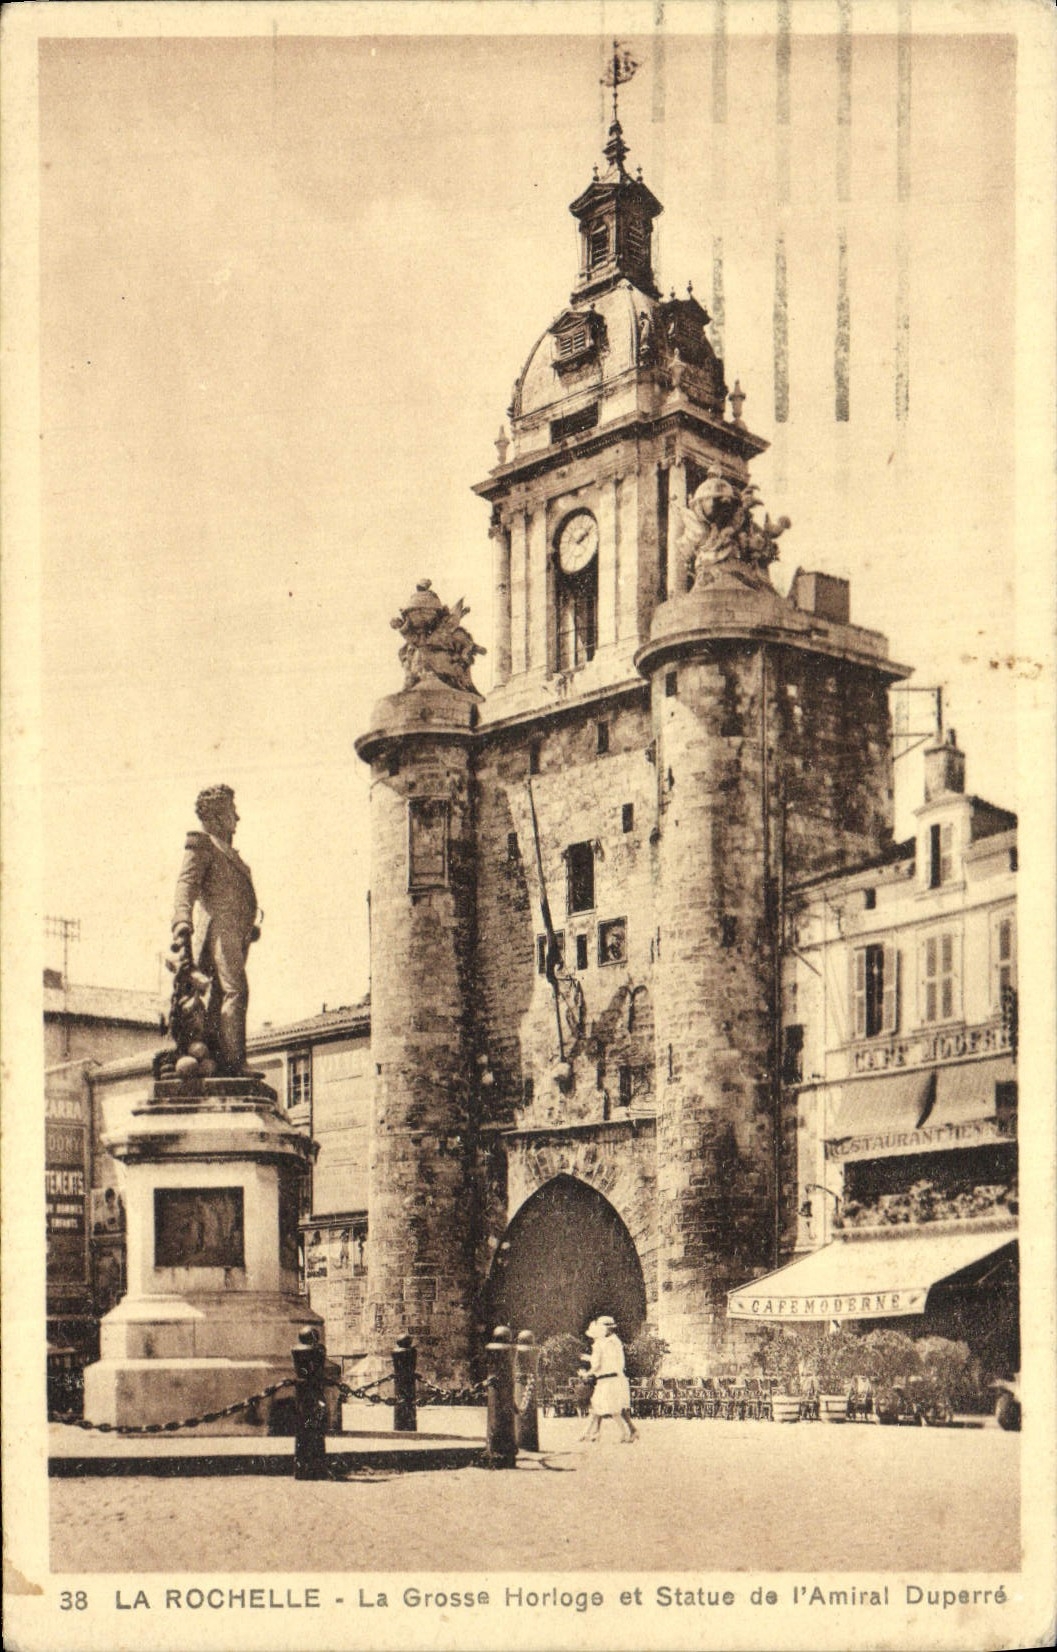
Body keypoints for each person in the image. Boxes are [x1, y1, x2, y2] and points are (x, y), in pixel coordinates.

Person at [171, 784, 260, 1076]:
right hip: (216, 932)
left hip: (235, 933)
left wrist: (249, 925)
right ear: (219, 816)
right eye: (233, 812)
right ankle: (235, 1064)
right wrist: (181, 920)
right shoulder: (202, 844)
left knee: (222, 995)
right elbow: (186, 884)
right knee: (236, 990)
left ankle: (221, 1059)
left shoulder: (229, 853)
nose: (238, 818)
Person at [579, 1316, 639, 1444]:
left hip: (608, 1380)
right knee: (599, 1406)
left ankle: (625, 1433)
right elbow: (607, 1361)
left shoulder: (606, 1343)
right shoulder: (612, 1342)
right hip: (612, 1378)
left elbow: (598, 1364)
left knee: (611, 1408)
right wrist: (591, 1358)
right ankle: (592, 1433)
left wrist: (587, 1373)